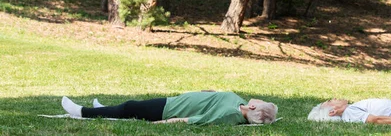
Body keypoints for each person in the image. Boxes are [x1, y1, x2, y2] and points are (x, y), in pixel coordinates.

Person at [61, 90, 278, 125]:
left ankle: (81, 112)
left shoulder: (229, 115)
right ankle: (104, 107)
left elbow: (191, 121)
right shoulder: (238, 102)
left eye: (258, 102)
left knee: (129, 107)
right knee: (129, 107)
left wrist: (160, 124)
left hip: (168, 110)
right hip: (175, 100)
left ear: (252, 108)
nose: (257, 99)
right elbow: (215, 95)